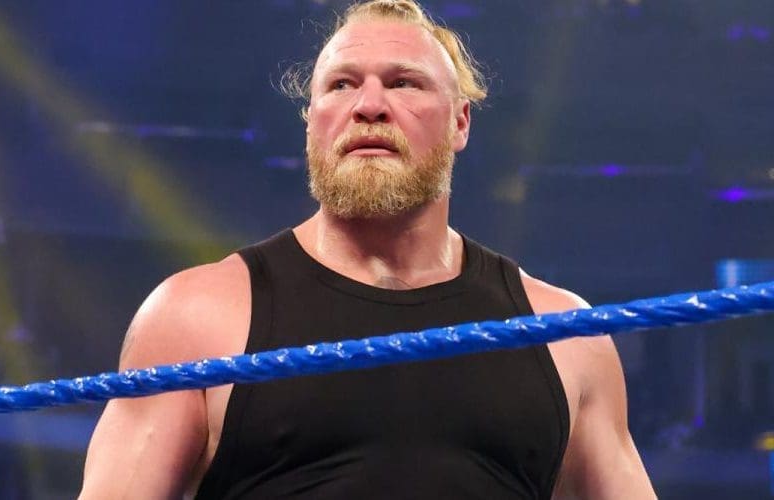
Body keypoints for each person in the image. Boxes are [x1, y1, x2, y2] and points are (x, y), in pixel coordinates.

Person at [80, 0, 656, 498]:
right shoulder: (196, 317)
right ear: (312, 123)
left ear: (460, 123)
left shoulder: (563, 333)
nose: (369, 105)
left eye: (404, 83)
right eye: (341, 84)